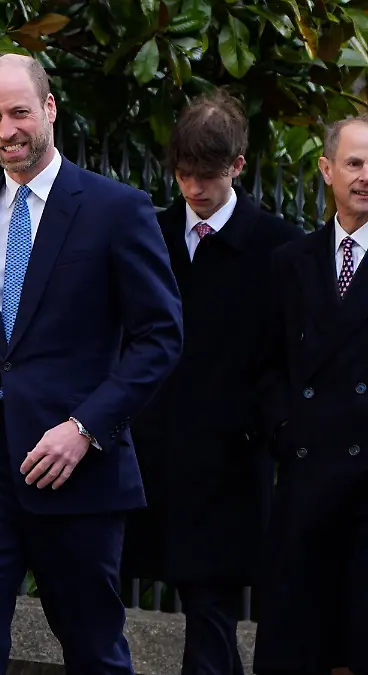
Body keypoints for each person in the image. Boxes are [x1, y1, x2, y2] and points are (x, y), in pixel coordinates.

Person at [0, 54, 183, 675]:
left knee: (93, 649)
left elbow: (160, 337)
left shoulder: (117, 209)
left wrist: (86, 427)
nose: (6, 130)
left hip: (76, 470)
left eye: (18, 113)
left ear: (50, 109)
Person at [121, 90, 303, 675]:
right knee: (100, 603)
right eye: (183, 174)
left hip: (229, 466)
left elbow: (287, 358)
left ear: (238, 167)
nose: (194, 189)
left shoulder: (279, 248)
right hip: (149, 456)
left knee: (211, 622)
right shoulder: (148, 233)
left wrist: (266, 430)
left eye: (207, 175)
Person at [252, 114, 368, 675]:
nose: (365, 176)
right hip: (303, 484)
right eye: (354, 163)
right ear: (326, 170)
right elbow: (267, 365)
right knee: (300, 647)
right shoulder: (289, 262)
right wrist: (284, 431)